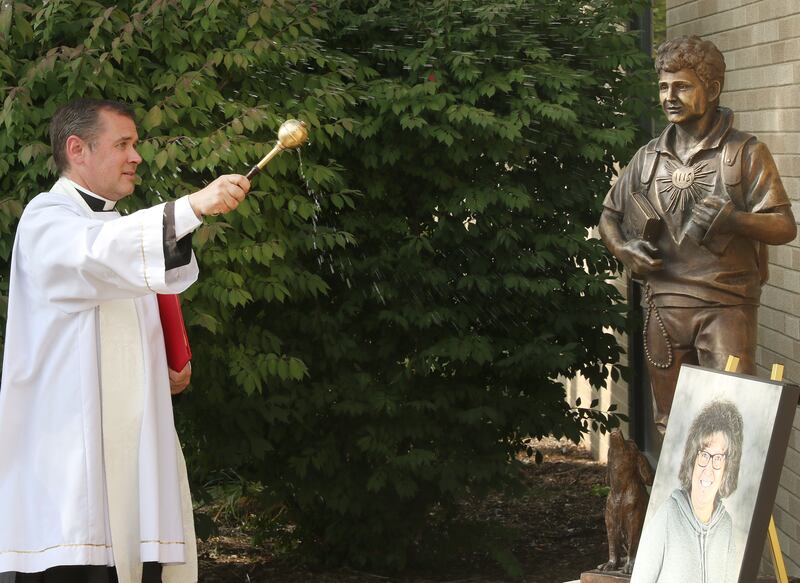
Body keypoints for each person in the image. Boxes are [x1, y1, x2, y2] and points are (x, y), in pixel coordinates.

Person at [0, 98, 251, 583]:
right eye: (123, 144)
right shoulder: (46, 219)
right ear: (78, 149)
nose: (137, 156)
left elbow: (129, 312)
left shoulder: (118, 228)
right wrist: (193, 206)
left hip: (136, 462)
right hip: (71, 476)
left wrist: (165, 366)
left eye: (135, 144)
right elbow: (92, 259)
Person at [598, 36, 796, 432]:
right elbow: (609, 216)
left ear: (713, 88)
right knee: (670, 425)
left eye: (682, 86)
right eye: (663, 86)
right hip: (664, 308)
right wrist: (623, 250)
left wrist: (734, 220)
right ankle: (673, 496)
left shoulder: (744, 153)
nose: (669, 96)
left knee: (728, 420)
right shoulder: (648, 157)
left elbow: (784, 226)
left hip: (726, 307)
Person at [632, 400, 743, 583]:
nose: (708, 468)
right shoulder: (668, 515)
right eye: (704, 455)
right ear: (692, 459)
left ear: (727, 470)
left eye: (718, 459)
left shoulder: (725, 526)